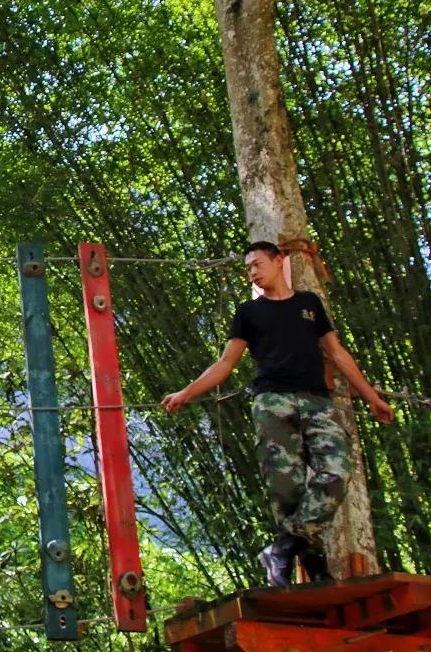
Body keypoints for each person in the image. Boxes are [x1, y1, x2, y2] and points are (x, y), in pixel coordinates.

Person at [161, 240, 394, 586]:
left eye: (257, 264)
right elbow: (225, 363)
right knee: (287, 490)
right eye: (248, 268)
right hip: (272, 402)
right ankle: (313, 564)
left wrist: (372, 397)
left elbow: (337, 353)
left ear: (278, 261)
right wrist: (186, 393)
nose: (253, 272)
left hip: (317, 401)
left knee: (337, 472)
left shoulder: (309, 304)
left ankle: (283, 547)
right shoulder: (249, 313)